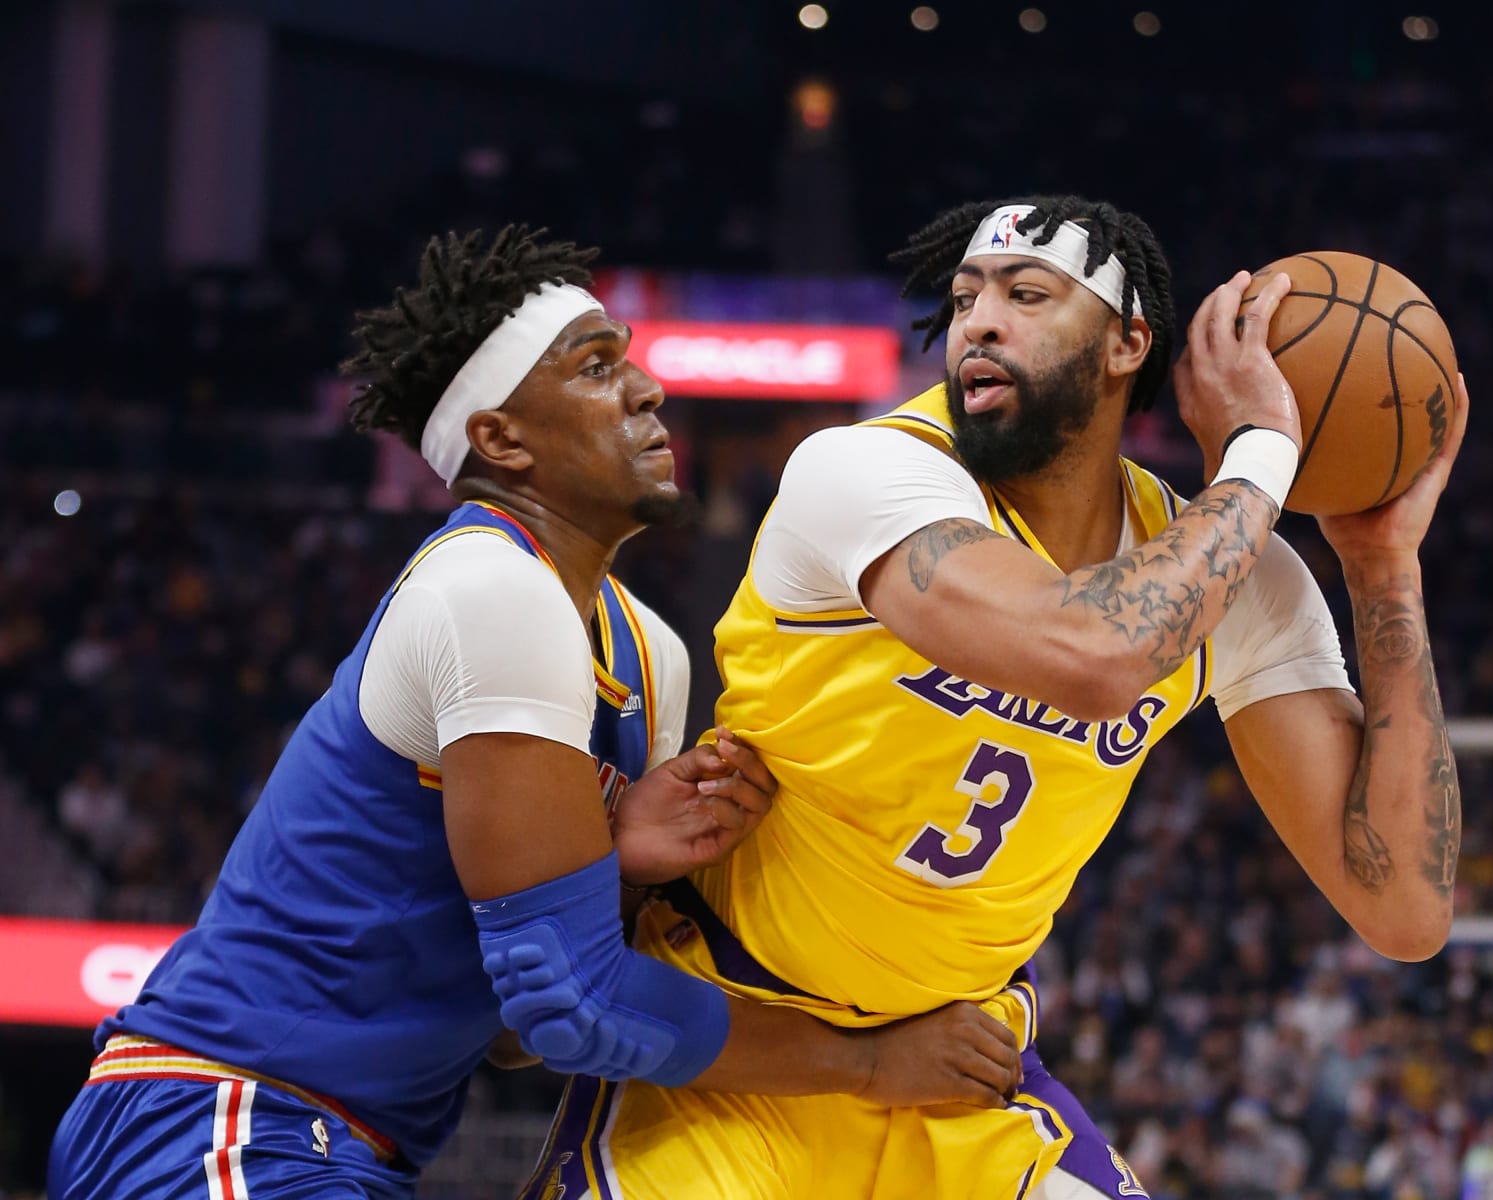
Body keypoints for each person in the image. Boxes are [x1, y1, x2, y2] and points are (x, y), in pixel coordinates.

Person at [47, 226, 1022, 1199]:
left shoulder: (649, 656)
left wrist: (622, 864)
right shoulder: (488, 586)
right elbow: (576, 1010)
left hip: (338, 1145)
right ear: (502, 440)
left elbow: (516, 1035)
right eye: (597, 369)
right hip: (220, 1114)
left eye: (632, 363)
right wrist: (871, 1062)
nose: (647, 390)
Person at [532, 195, 1470, 1199]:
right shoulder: (869, 472)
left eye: (1027, 295)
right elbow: (1095, 652)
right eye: (967, 295)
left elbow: (1403, 909)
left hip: (954, 1064)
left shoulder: (1235, 576)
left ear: (1127, 345)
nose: (979, 319)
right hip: (732, 1042)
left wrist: (1380, 569)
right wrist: (1263, 458)